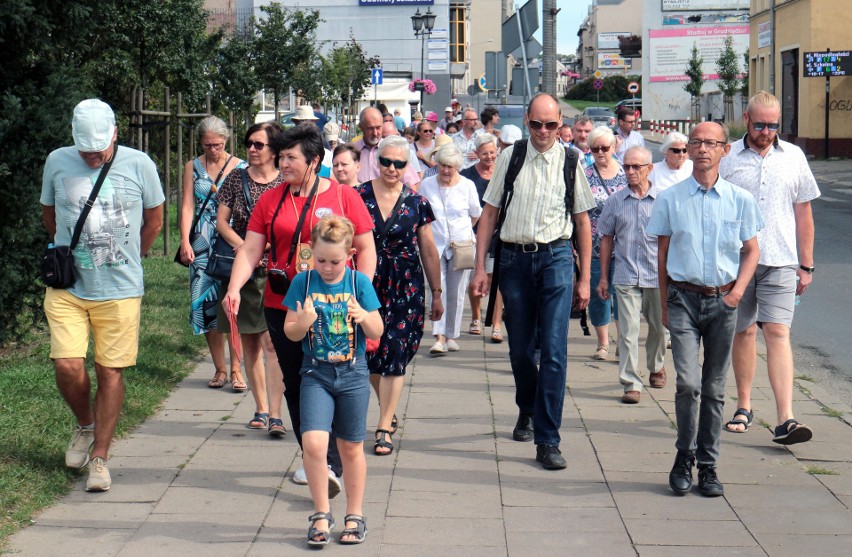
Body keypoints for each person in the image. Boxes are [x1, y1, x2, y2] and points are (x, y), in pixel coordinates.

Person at [225, 124, 376, 486]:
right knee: (296, 383)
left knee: (336, 379)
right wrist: (234, 286)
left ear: (314, 160)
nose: (283, 164)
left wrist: (360, 293)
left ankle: (335, 462)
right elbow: (251, 249)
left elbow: (367, 248)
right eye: (281, 157)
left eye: (291, 157)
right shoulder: (271, 199)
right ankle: (318, 459)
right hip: (285, 306)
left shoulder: (343, 197)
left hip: (338, 307)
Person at [42, 99, 164, 491]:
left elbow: (155, 218)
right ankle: (84, 425)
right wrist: (66, 253)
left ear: (115, 134)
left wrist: (134, 257)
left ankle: (100, 458)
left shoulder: (139, 163)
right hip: (69, 287)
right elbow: (49, 214)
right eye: (86, 151)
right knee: (67, 365)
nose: (93, 157)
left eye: (100, 151)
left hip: (119, 289)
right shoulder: (57, 161)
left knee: (110, 371)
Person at [471, 93, 596, 470]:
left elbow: (583, 222)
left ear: (562, 125)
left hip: (557, 257)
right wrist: (480, 267)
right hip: (514, 258)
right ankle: (527, 406)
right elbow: (489, 215)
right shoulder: (511, 156)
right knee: (521, 349)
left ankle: (548, 439)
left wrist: (586, 278)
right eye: (536, 124)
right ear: (527, 121)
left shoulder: (571, 160)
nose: (543, 131)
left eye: (551, 125)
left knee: (555, 351)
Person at [647, 121, 763, 497]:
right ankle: (684, 456)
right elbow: (662, 254)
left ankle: (708, 466)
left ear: (724, 151)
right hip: (682, 297)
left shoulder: (740, 199)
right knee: (688, 384)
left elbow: (752, 250)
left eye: (710, 143)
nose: (701, 150)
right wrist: (664, 302)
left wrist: (737, 293)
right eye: (694, 143)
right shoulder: (670, 197)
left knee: (714, 388)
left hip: (723, 301)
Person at [719, 91, 820, 444]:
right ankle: (744, 406)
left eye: (773, 125)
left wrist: (806, 265)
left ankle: (786, 419)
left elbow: (803, 213)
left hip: (781, 259)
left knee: (778, 333)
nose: (766, 131)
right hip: (736, 261)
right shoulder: (727, 156)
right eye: (760, 124)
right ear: (746, 120)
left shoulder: (793, 156)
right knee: (743, 331)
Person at [282, 216, 383, 547]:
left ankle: (354, 513)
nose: (327, 267)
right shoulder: (303, 281)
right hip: (316, 373)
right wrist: (304, 322)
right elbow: (291, 331)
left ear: (351, 254)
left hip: (353, 374)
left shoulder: (358, 284)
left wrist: (364, 316)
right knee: (313, 443)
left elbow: (377, 331)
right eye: (321, 259)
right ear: (311, 252)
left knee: (351, 446)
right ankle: (321, 513)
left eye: (335, 261)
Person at [356, 136, 444, 456]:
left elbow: (429, 251)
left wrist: (437, 293)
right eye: (386, 162)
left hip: (405, 286)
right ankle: (388, 411)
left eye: (399, 163)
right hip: (367, 283)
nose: (392, 168)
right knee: (371, 357)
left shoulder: (417, 203)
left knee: (394, 352)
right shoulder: (357, 196)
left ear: (408, 166)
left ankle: (383, 427)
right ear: (376, 161)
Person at [216, 122, 285, 435]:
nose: (252, 149)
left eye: (259, 144)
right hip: (243, 268)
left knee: (272, 342)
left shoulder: (286, 181)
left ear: (274, 149)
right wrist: (245, 247)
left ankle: (275, 409)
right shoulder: (236, 177)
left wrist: (262, 246)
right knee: (251, 343)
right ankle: (260, 407)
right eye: (249, 143)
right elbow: (222, 221)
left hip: (276, 270)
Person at [179, 116, 245, 389]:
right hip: (202, 242)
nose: (213, 150)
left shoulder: (241, 167)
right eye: (207, 145)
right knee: (205, 304)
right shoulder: (192, 167)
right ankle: (220, 369)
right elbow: (186, 206)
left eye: (217, 144)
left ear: (226, 140)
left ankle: (237, 369)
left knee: (233, 305)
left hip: (231, 241)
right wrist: (185, 240)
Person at [596, 146, 666, 404]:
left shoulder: (664, 200)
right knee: (627, 331)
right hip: (625, 275)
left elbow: (674, 239)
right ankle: (630, 382)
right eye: (626, 166)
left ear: (650, 168)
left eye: (636, 167)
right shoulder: (615, 200)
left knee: (659, 329)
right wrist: (603, 277)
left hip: (656, 277)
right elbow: (605, 239)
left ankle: (656, 365)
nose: (630, 171)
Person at [420, 143, 482, 354]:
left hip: (461, 245)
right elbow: (422, 214)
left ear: (458, 167)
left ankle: (451, 334)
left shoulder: (467, 185)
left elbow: (476, 213)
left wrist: (463, 233)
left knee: (456, 292)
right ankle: (439, 336)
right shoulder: (427, 184)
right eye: (443, 165)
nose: (446, 170)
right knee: (437, 290)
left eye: (451, 167)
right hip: (434, 245)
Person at [585, 126, 627, 361]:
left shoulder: (625, 172)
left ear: (614, 147)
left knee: (623, 295)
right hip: (594, 245)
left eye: (605, 147)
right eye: (595, 148)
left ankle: (623, 341)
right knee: (599, 294)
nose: (600, 152)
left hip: (623, 247)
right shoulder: (584, 174)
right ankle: (602, 343)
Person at [461, 133, 504, 343]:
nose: (489, 157)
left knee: (497, 280)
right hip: (475, 234)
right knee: (474, 279)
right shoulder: (467, 175)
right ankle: (476, 317)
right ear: (476, 153)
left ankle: (496, 323)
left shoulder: (503, 173)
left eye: (493, 153)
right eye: (485, 153)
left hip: (500, 234)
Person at [354, 107, 420, 189]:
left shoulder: (394, 149)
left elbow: (412, 183)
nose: (375, 133)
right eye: (370, 128)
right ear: (361, 127)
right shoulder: (351, 151)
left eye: (378, 128)